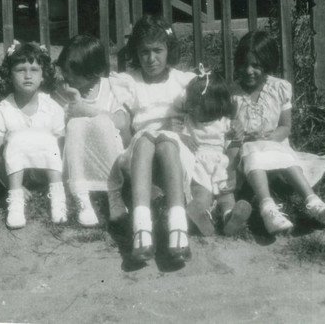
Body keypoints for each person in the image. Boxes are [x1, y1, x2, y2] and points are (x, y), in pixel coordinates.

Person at [231, 30, 325, 235]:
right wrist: (235, 130)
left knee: (286, 157)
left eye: (256, 65)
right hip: (247, 152)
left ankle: (314, 202)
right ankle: (267, 208)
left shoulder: (279, 88)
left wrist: (271, 139)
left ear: (268, 64)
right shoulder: (232, 94)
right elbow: (228, 127)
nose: (249, 70)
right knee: (253, 156)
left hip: (274, 143)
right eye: (244, 64)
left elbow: (285, 127)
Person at [109, 14, 196, 264]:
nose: (151, 58)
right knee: (147, 138)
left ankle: (178, 228)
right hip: (140, 154)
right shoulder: (130, 82)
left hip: (175, 153)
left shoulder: (182, 81)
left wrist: (183, 129)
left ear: (169, 50)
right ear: (136, 53)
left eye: (158, 50)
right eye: (144, 52)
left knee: (167, 143)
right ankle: (142, 227)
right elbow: (124, 121)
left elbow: (202, 115)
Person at [0, 40, 67, 229]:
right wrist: (10, 184)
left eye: (34, 70)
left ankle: (57, 196)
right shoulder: (3, 110)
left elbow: (61, 146)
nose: (27, 75)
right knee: (16, 138)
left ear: (43, 76)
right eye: (20, 70)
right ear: (9, 75)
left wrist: (58, 176)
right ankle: (15, 200)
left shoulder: (51, 108)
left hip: (47, 172)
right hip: (16, 175)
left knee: (48, 139)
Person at [56, 34, 130, 227]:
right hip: (78, 156)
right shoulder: (64, 92)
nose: (67, 77)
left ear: (93, 72)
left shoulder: (109, 87)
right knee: (75, 125)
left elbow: (121, 122)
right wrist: (74, 103)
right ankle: (82, 198)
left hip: (109, 154)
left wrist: (88, 111)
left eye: (72, 73)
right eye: (64, 71)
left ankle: (114, 194)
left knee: (103, 122)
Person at [184, 65, 252, 237]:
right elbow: (181, 138)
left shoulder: (225, 122)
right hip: (197, 165)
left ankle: (230, 216)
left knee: (226, 194)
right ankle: (202, 214)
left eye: (196, 104)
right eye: (190, 102)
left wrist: (231, 170)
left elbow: (233, 145)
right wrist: (181, 137)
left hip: (220, 165)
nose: (191, 107)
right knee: (201, 193)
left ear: (214, 104)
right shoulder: (189, 121)